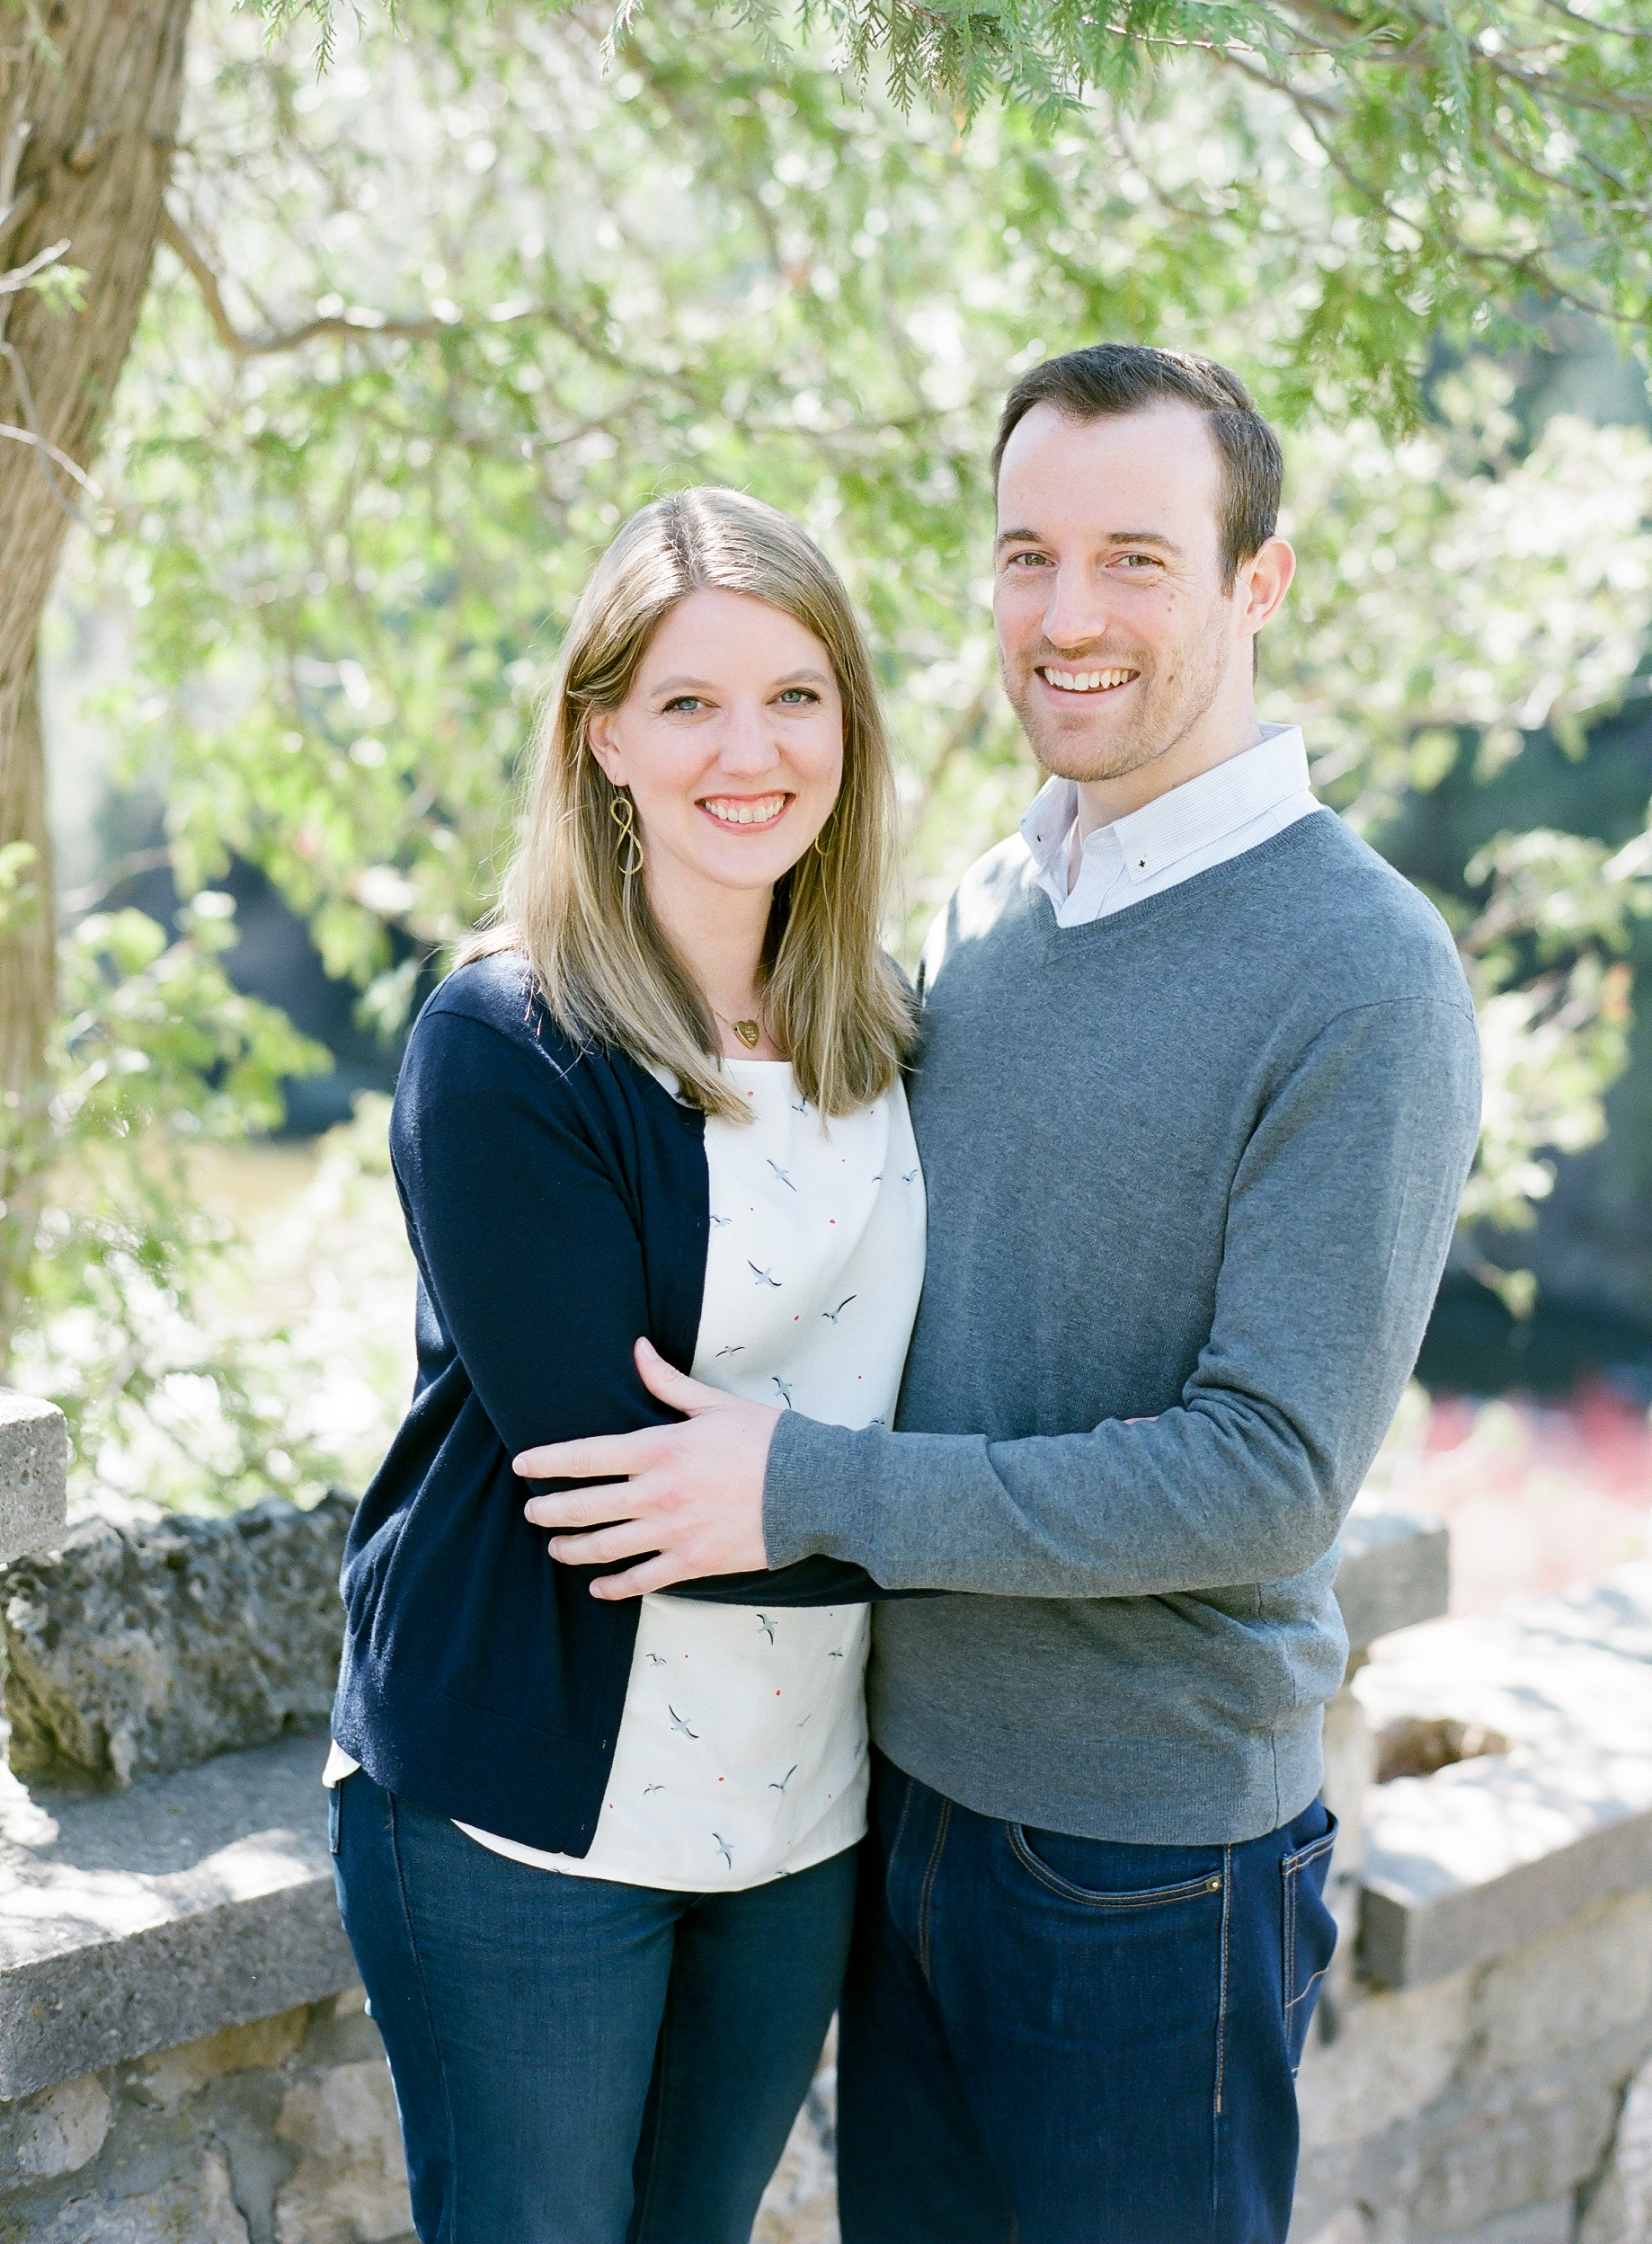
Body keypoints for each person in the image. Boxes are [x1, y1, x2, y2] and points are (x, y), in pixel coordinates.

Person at [522, 345, 1484, 2244]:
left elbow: (1267, 1475)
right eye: (1024, 555)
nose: (1066, 616)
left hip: (1147, 1862)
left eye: (1135, 558)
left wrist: (804, 1487)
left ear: (1256, 586)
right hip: (904, 1805)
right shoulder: (983, 908)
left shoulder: (1361, 973)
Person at [324, 487, 922, 2244]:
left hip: (797, 1811)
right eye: (687, 703)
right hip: (524, 1812)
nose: (752, 749)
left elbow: (878, 1418)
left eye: (796, 697)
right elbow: (611, 1493)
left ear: (850, 726)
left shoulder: (882, 1024)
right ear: (601, 741)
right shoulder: (509, 1042)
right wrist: (959, 1511)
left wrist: (809, 1477)